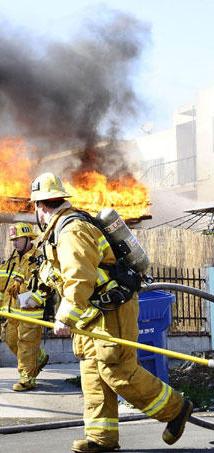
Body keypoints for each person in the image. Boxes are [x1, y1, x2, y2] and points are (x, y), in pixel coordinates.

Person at [30, 172, 193, 453]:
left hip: (112, 310)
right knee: (93, 375)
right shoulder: (60, 231)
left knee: (117, 371)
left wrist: (64, 316)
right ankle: (101, 438)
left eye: (35, 207)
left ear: (41, 206)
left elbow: (79, 277)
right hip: (94, 313)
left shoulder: (71, 231)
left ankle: (176, 409)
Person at [0, 221, 49, 391]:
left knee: (26, 345)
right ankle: (37, 359)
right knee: (10, 340)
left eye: (17, 239)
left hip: (31, 313)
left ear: (27, 238)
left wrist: (37, 298)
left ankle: (27, 378)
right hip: (12, 312)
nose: (14, 243)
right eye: (13, 240)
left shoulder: (40, 258)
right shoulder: (13, 258)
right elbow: (4, 282)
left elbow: (49, 284)